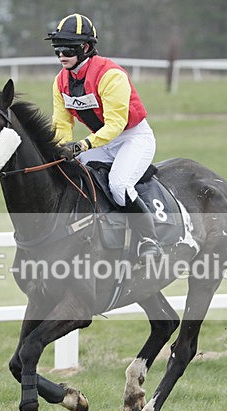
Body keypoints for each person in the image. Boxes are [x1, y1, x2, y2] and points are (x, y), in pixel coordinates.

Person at [47, 13, 162, 261]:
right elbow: (61, 123)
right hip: (101, 141)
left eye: (67, 48)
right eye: (57, 49)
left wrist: (82, 145)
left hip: (132, 138)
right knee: (70, 175)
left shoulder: (110, 75)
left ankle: (149, 239)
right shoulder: (60, 82)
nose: (61, 55)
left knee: (119, 186)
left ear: (86, 47)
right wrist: (60, 148)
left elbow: (116, 124)